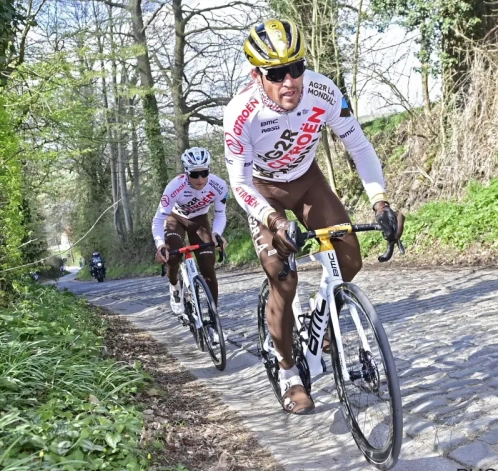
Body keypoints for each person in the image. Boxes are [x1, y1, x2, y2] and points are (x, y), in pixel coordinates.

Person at [223, 19, 404, 414]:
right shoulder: (241, 114)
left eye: (297, 68)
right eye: (276, 73)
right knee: (283, 280)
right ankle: (289, 371)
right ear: (258, 75)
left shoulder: (322, 91)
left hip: (308, 182)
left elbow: (358, 145)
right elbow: (238, 183)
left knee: (350, 258)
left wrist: (380, 202)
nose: (290, 81)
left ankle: (324, 323)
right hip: (264, 193)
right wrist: (273, 222)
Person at [151, 147, 229, 334]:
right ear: (186, 173)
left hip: (199, 221)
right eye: (195, 174)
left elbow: (220, 214)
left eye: (204, 173)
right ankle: (174, 286)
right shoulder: (174, 187)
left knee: (208, 266)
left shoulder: (219, 186)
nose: (200, 179)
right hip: (175, 219)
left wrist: (216, 234)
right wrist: (160, 245)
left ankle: (213, 321)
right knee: (172, 255)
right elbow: (158, 220)